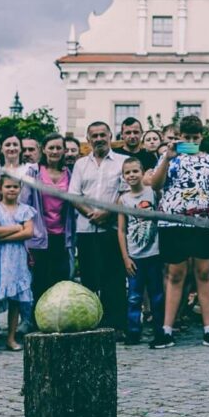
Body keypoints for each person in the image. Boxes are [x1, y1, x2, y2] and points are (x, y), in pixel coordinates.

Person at [149, 115, 209, 348]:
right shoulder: (170, 158)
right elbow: (155, 184)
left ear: (201, 137)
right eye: (187, 137)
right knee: (175, 274)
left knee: (204, 273)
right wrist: (167, 158)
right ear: (180, 137)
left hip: (204, 222)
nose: (191, 141)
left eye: (195, 137)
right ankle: (166, 329)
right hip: (174, 223)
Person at [69, 122, 128, 334]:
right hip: (86, 228)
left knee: (114, 279)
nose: (99, 138)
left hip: (112, 228)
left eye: (103, 134)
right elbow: (73, 195)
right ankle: (91, 323)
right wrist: (90, 214)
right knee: (90, 278)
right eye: (94, 135)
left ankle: (116, 325)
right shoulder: (80, 164)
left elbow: (125, 193)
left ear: (110, 135)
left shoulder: (122, 162)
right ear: (88, 138)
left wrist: (107, 213)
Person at [0, 175, 34, 353]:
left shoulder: (26, 210)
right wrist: (17, 227)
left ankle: (10, 338)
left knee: (16, 300)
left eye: (15, 187)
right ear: (0, 189)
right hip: (0, 259)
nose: (11, 190)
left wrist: (6, 236)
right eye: (8, 186)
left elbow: (29, 233)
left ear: (20, 189)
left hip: (18, 259)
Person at [25, 133, 73, 329]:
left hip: (62, 235)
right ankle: (37, 323)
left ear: (63, 150)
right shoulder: (34, 172)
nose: (55, 151)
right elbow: (24, 204)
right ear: (44, 149)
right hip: (39, 235)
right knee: (39, 281)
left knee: (60, 279)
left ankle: (56, 322)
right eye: (51, 147)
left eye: (58, 148)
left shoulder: (69, 173)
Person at [117, 157, 163, 345]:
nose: (132, 175)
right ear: (123, 177)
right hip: (135, 256)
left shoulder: (153, 193)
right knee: (134, 297)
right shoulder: (123, 200)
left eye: (135, 171)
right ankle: (134, 330)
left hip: (154, 254)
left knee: (157, 295)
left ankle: (160, 329)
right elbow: (121, 230)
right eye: (127, 172)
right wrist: (126, 258)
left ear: (143, 172)